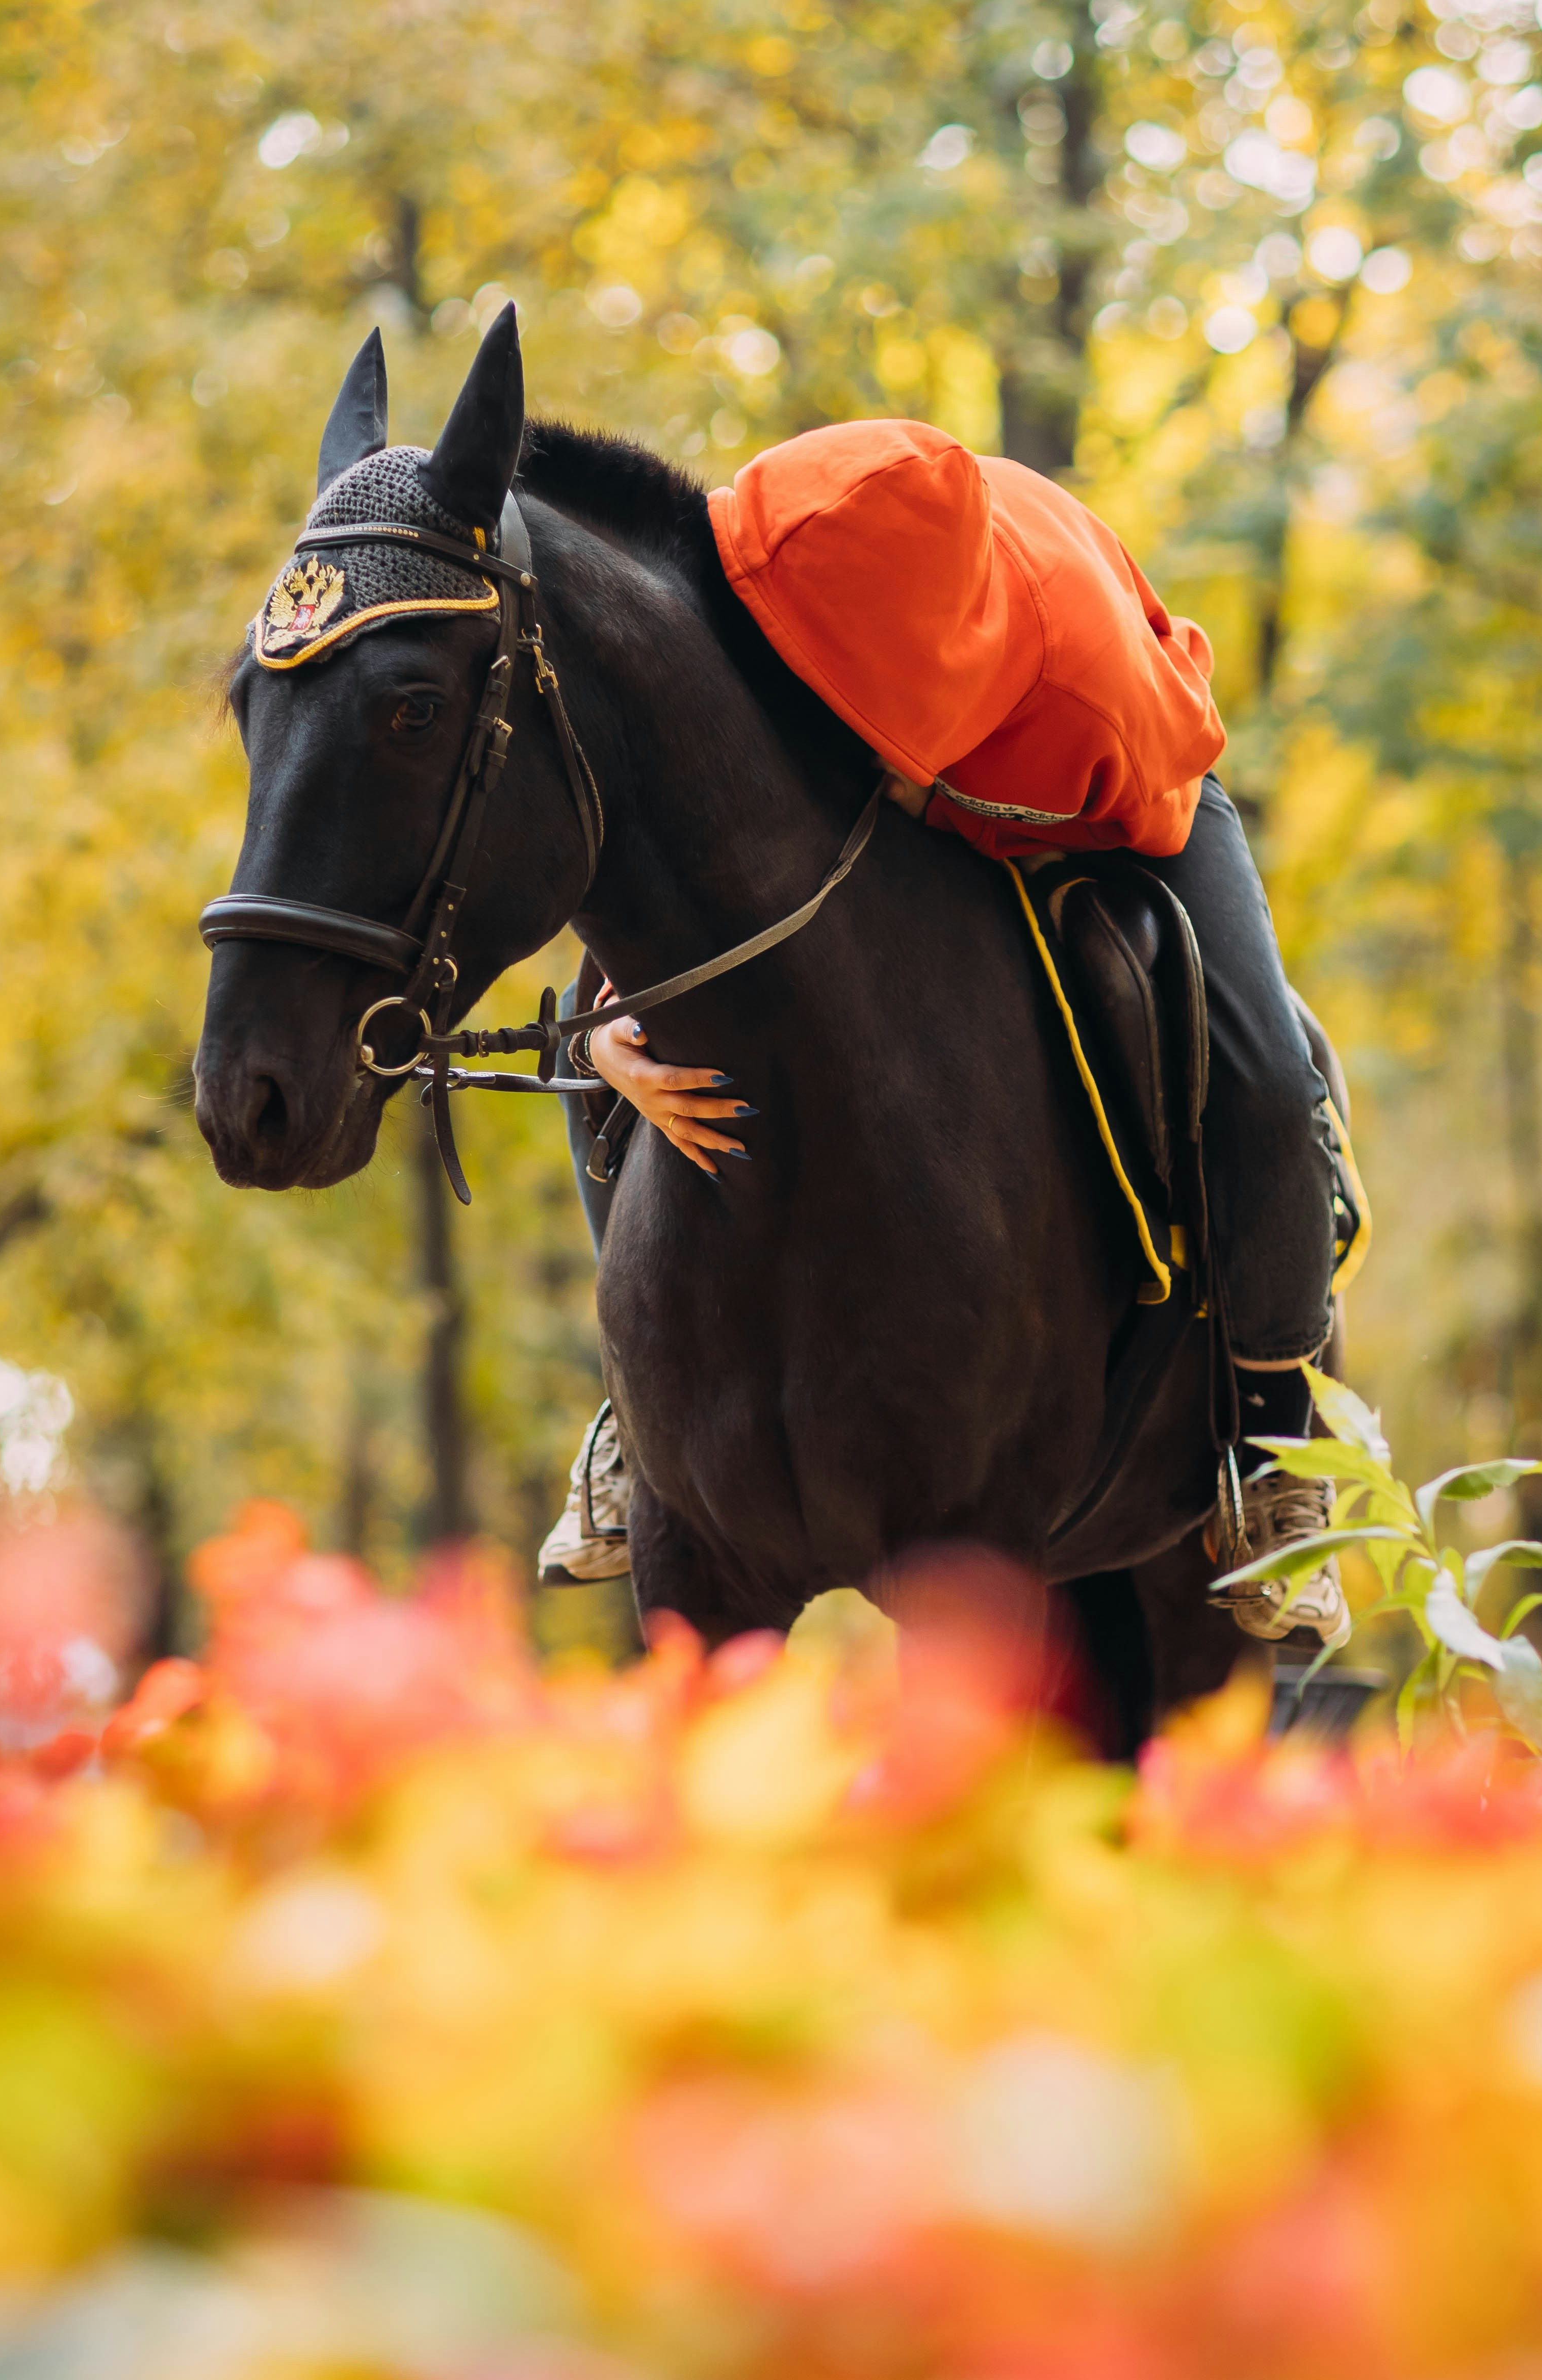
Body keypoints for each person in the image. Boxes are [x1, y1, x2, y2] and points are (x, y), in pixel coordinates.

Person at [538, 419, 1352, 1644]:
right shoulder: (754, 563)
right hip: (913, 739)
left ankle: (1275, 1436)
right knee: (591, 1045)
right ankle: (630, 1420)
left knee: (1265, 1080)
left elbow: (1074, 817)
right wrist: (611, 1024)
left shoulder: (1089, 687)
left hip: (1115, 795)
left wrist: (929, 794)